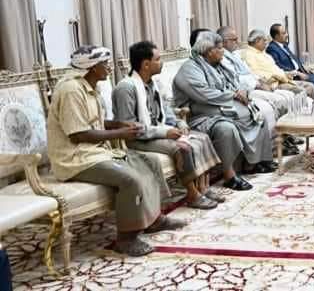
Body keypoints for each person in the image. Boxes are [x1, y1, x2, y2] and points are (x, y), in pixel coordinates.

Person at [48, 46, 185, 256]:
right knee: (130, 179)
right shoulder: (71, 91)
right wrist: (120, 133)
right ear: (93, 67)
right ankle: (126, 239)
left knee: (149, 162)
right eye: (105, 64)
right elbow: (78, 135)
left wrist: (118, 124)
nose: (110, 67)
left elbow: (94, 122)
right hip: (75, 159)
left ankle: (154, 219)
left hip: (97, 151)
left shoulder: (89, 86)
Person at [113, 41, 223, 210]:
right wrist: (164, 133)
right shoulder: (125, 88)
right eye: (158, 59)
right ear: (146, 64)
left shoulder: (153, 83)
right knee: (183, 147)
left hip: (157, 130)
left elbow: (165, 110)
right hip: (137, 139)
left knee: (202, 138)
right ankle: (192, 194)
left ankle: (203, 188)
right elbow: (130, 128)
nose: (161, 62)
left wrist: (179, 122)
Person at [173, 31, 277, 192]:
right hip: (201, 114)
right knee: (226, 129)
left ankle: (253, 163)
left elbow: (234, 82)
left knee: (257, 115)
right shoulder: (189, 69)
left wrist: (240, 91)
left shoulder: (218, 64)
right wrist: (233, 95)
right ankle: (229, 175)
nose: (223, 52)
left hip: (221, 107)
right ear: (209, 51)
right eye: (220, 48)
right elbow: (204, 94)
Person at [217, 27, 301, 156]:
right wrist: (258, 84)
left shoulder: (235, 55)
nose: (238, 42)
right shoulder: (222, 58)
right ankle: (275, 146)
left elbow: (249, 72)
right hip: (247, 90)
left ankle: (285, 136)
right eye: (234, 39)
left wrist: (259, 81)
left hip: (255, 84)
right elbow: (237, 79)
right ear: (224, 41)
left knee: (287, 96)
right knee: (276, 102)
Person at [265, 24, 314, 104]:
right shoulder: (271, 49)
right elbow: (278, 66)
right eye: (284, 33)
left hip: (301, 71)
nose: (287, 35)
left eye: (286, 32)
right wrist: (298, 73)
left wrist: (303, 67)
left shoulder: (284, 45)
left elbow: (293, 59)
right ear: (276, 36)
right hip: (293, 76)